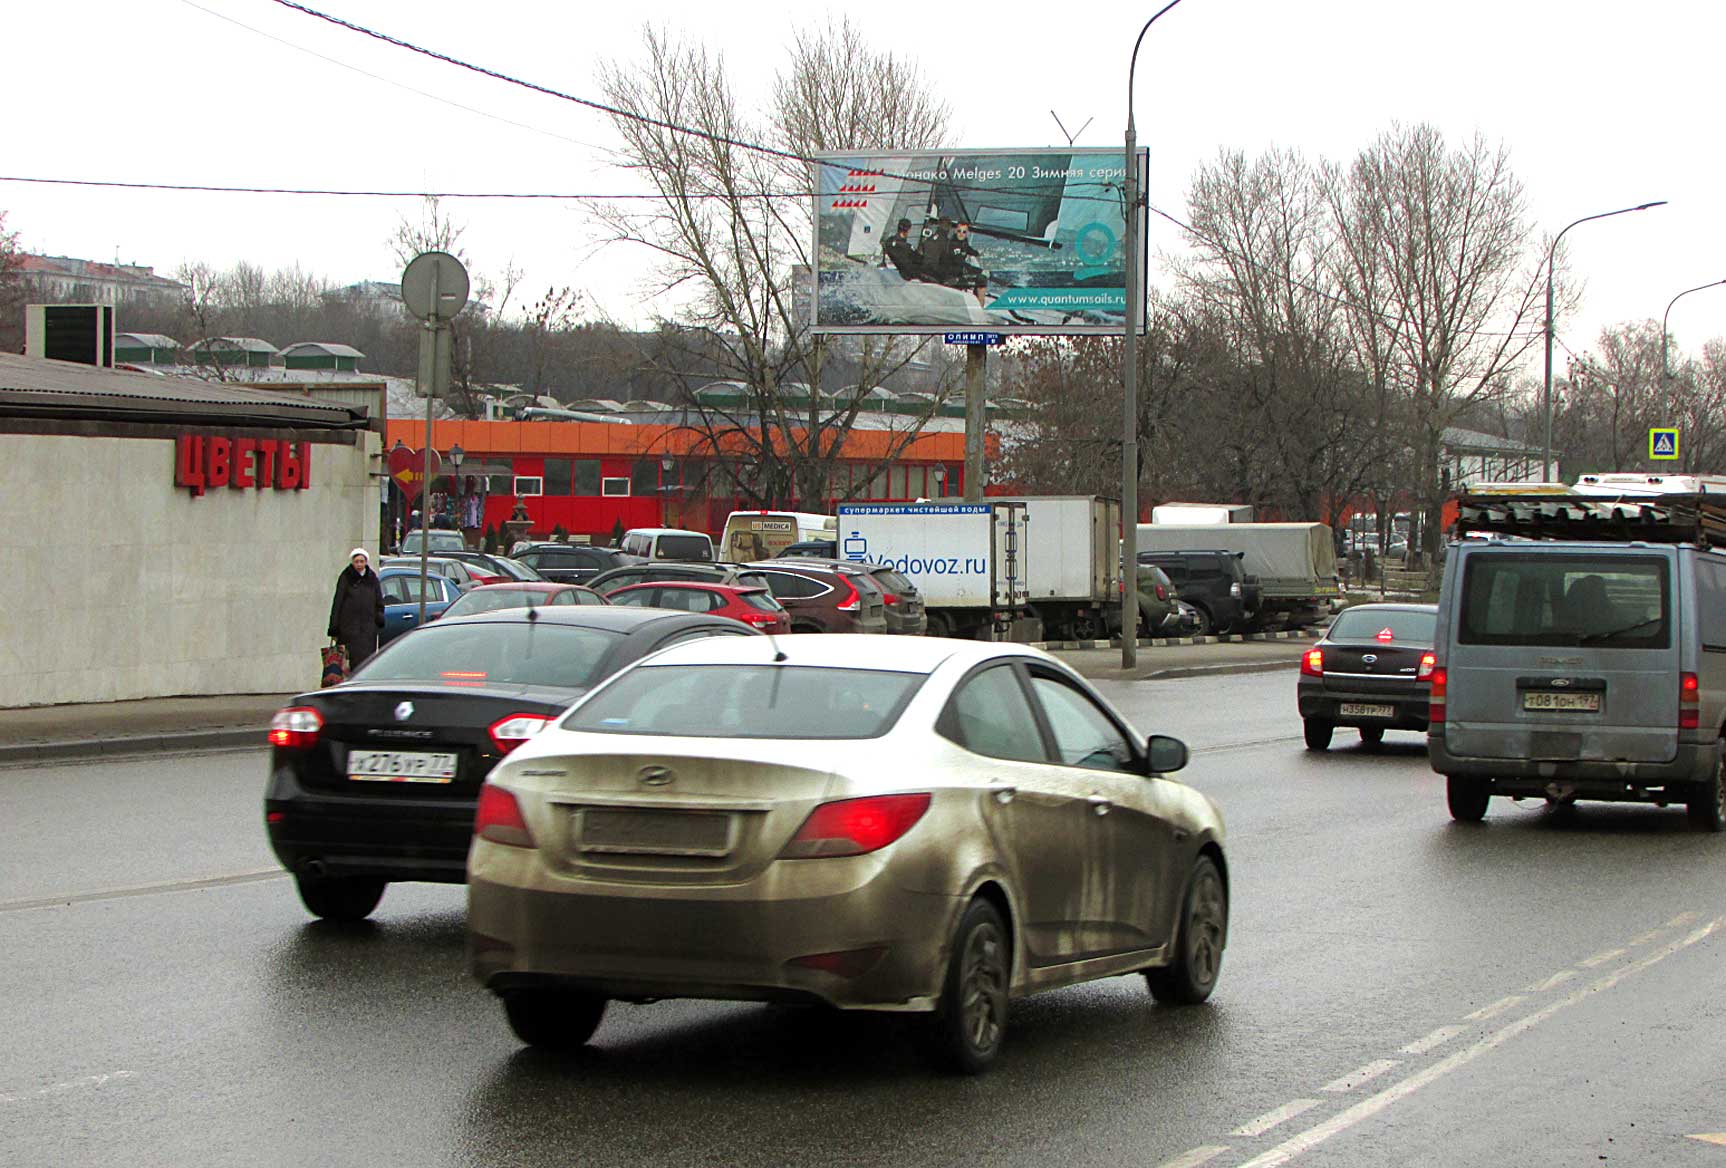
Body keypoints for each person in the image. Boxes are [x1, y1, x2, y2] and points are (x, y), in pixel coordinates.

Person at [327, 548, 385, 669]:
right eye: (356, 561)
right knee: (349, 662)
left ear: (366, 562)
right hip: (348, 630)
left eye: (361, 561)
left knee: (366, 663)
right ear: (352, 562)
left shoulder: (372, 578)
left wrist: (379, 619)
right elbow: (338, 602)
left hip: (367, 630)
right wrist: (334, 627)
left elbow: (379, 601)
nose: (359, 564)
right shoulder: (346, 577)